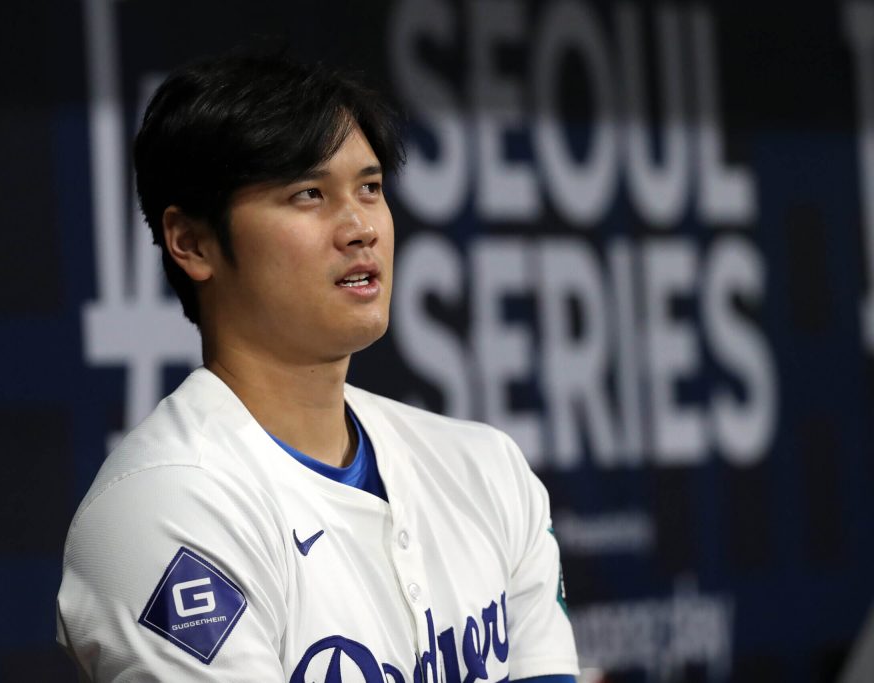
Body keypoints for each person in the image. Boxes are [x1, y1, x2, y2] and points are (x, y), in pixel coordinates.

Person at [56, 50, 579, 682]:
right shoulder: (162, 506)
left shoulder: (486, 469)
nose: (360, 227)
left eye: (370, 188)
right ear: (192, 242)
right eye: (308, 194)